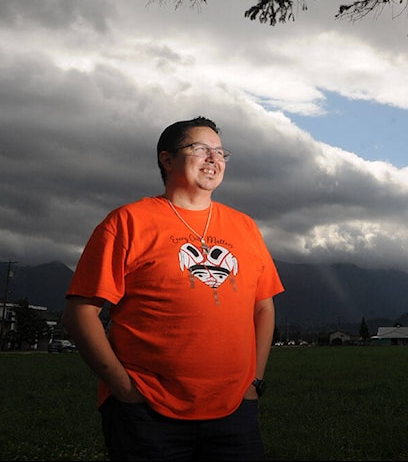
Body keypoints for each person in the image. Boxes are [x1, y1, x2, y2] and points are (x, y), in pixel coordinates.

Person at [62, 116, 285, 461]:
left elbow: (263, 307)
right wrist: (124, 388)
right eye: (200, 149)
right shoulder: (128, 222)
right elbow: (81, 312)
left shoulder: (245, 227)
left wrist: (254, 381)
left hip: (234, 412)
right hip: (148, 414)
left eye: (220, 152)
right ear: (166, 159)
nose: (214, 159)